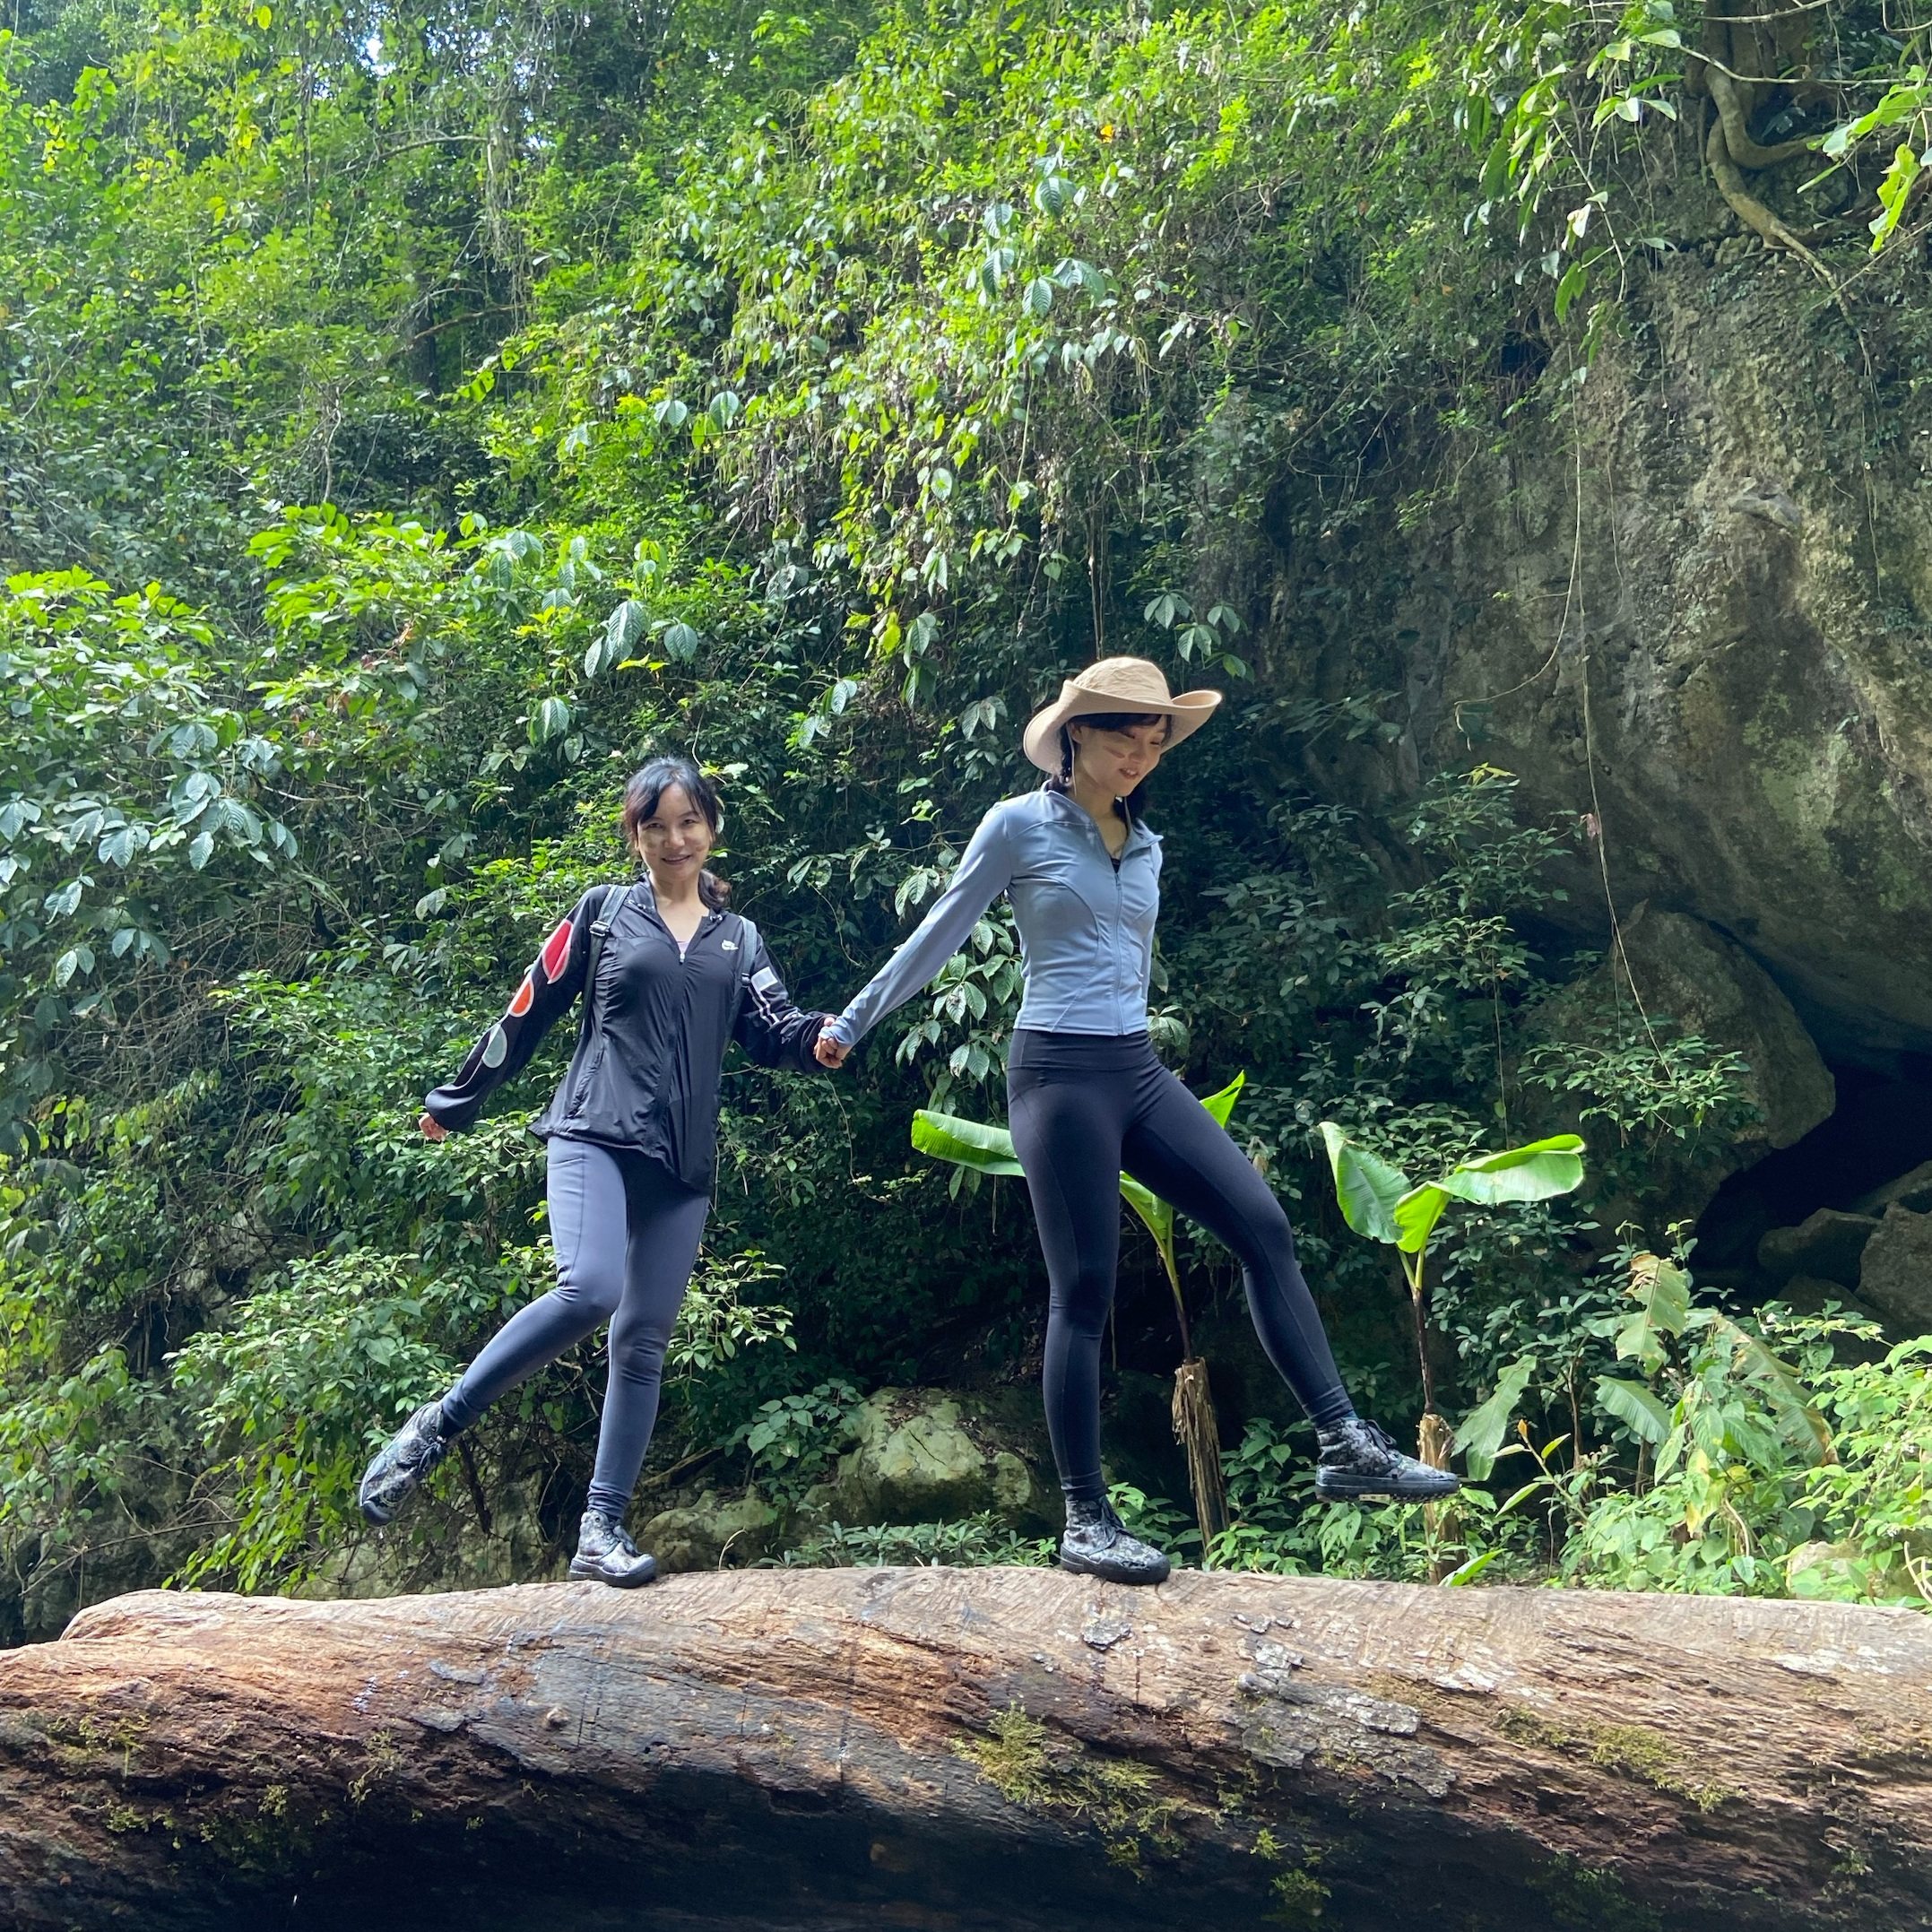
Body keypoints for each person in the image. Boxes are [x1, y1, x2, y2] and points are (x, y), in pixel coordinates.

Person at [815, 656, 1456, 1586]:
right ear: (1074, 733)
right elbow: (939, 932)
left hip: (1136, 1069)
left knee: (1263, 1228)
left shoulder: (1146, 843)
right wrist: (851, 1021)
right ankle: (1084, 1518)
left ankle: (1343, 1440)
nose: (1141, 756)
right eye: (1125, 736)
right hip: (1057, 1073)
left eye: (1155, 741)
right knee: (1083, 1291)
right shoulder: (1017, 825)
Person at [358, 756, 829, 1586]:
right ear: (635, 835)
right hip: (594, 1134)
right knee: (590, 1289)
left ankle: (599, 1531)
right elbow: (527, 1006)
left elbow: (776, 1028)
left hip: (680, 1166)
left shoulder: (739, 939)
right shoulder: (602, 914)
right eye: (657, 826)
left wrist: (824, 1035)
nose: (675, 840)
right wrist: (459, 1098)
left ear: (711, 827)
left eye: (688, 822)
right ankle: (437, 1425)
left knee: (642, 1344)